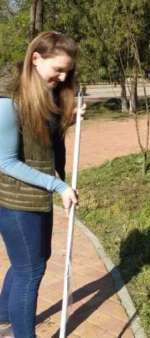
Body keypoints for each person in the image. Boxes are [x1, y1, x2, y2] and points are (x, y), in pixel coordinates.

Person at [0, 31, 80, 338]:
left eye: (67, 72)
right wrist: (58, 186)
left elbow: (41, 141)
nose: (62, 77)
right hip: (15, 203)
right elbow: (5, 161)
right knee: (30, 271)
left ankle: (4, 315)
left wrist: (70, 118)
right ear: (36, 59)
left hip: (34, 197)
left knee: (31, 262)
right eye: (58, 69)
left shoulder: (43, 95)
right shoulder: (8, 100)